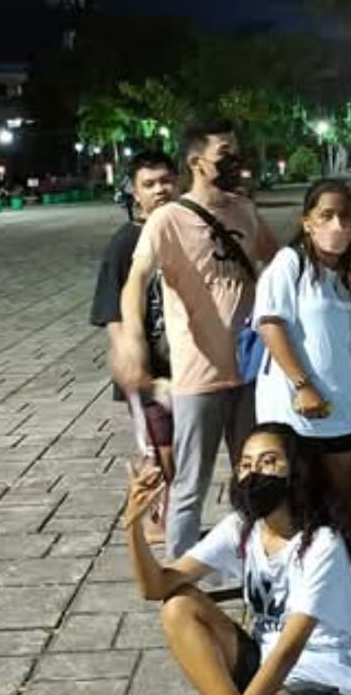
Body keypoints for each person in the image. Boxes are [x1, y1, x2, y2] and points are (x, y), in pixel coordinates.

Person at [123, 422, 351, 695]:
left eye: (269, 461)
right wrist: (131, 524)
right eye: (246, 464)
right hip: (269, 675)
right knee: (178, 606)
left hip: (330, 692)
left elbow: (288, 652)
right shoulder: (241, 527)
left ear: (296, 472)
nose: (255, 473)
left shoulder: (322, 545)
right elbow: (157, 586)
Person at [117, 118, 280, 559]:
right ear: (196, 162)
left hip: (249, 370)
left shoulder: (244, 210)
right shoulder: (168, 219)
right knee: (191, 482)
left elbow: (280, 260)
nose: (235, 160)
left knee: (255, 476)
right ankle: (180, 574)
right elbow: (136, 280)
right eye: (224, 153)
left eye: (235, 151)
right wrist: (133, 340)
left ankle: (255, 562)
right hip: (199, 374)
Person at [253, 180, 351, 524]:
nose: (337, 224)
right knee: (295, 514)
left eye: (345, 216)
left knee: (342, 511)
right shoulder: (290, 263)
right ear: (307, 221)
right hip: (296, 413)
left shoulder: (347, 279)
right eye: (326, 215)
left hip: (343, 413)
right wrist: (303, 385)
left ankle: (345, 559)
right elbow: (270, 324)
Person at [91, 150, 180, 545]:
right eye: (150, 184)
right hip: (149, 369)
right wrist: (127, 354)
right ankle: (152, 521)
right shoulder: (125, 242)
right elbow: (112, 311)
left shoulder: (184, 230)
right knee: (159, 450)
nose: (160, 190)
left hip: (188, 364)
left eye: (166, 181)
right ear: (135, 192)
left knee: (179, 448)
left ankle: (170, 516)